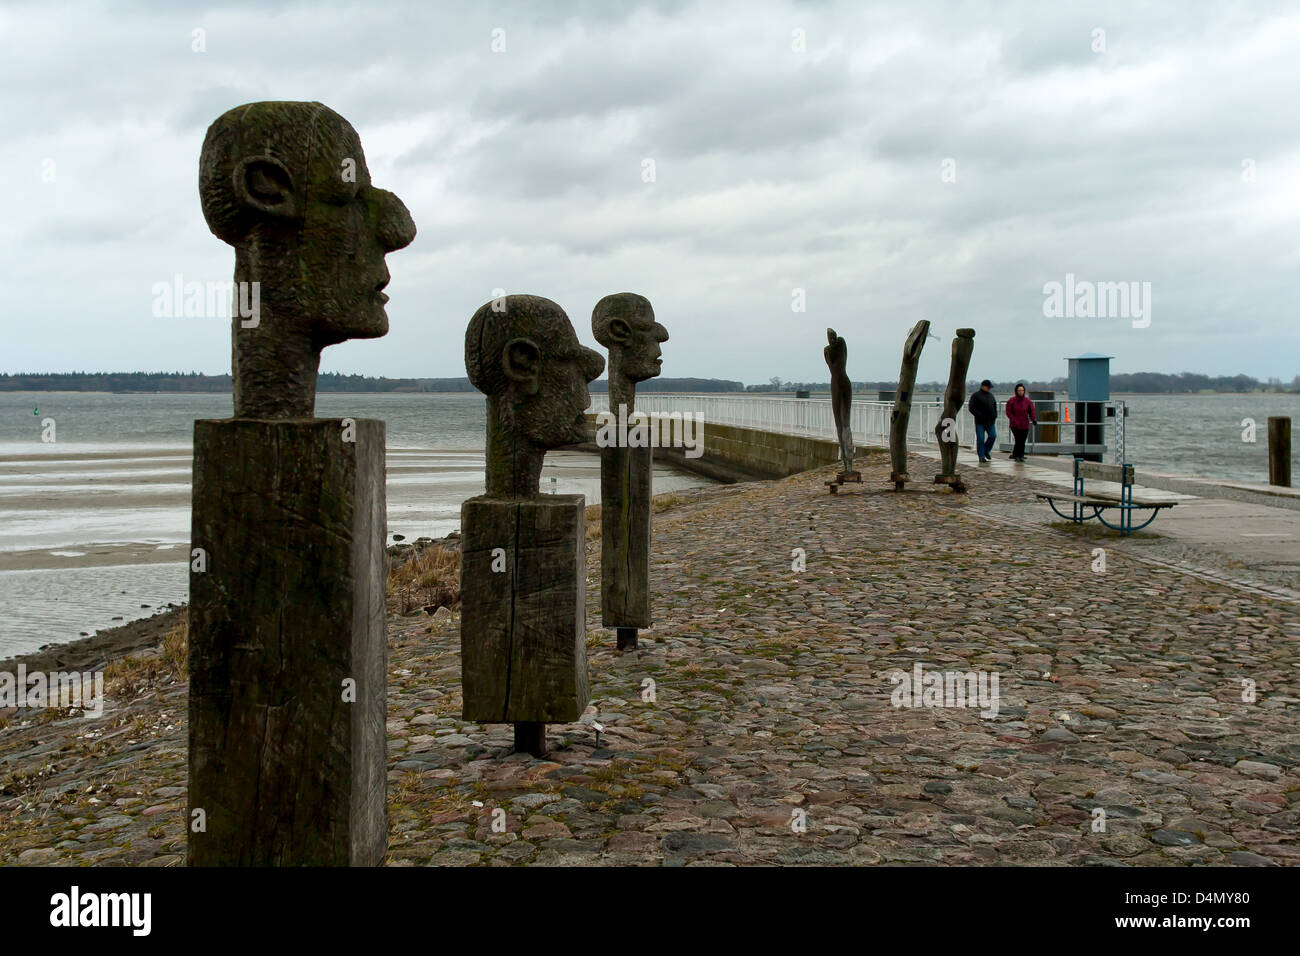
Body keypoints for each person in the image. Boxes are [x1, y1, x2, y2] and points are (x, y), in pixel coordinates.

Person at [1005, 383, 1038, 461]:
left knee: (1022, 440)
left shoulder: (1027, 401)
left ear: (1024, 391)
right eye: (1019, 390)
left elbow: (1031, 411)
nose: (1021, 392)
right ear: (1016, 391)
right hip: (1015, 424)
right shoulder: (1011, 400)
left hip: (1025, 424)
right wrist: (1013, 419)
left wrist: (1034, 419)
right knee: (1018, 439)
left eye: (1022, 390)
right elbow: (1008, 412)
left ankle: (1021, 455)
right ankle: (1017, 455)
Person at [967, 379, 997, 462]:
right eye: (988, 387)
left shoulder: (991, 396)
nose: (989, 389)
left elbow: (994, 406)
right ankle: (981, 456)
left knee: (993, 436)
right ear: (983, 386)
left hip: (990, 421)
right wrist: (979, 415)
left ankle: (986, 450)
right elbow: (971, 407)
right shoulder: (975, 396)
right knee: (980, 439)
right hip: (980, 422)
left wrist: (995, 415)